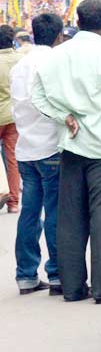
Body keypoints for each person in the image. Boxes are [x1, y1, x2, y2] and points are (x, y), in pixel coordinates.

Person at [32, 0, 101, 303]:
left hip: (70, 146)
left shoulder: (55, 56)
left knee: (70, 219)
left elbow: (37, 97)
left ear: (76, 20)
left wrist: (64, 117)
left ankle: (73, 288)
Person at [12, 13, 65, 295]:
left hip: (26, 149)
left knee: (29, 213)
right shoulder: (54, 62)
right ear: (59, 36)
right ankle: (56, 274)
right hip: (50, 147)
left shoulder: (20, 65)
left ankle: (26, 275)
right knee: (55, 212)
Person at [0, 25, 25, 213]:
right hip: (14, 115)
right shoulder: (21, 59)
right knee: (13, 159)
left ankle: (2, 191)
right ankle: (14, 202)